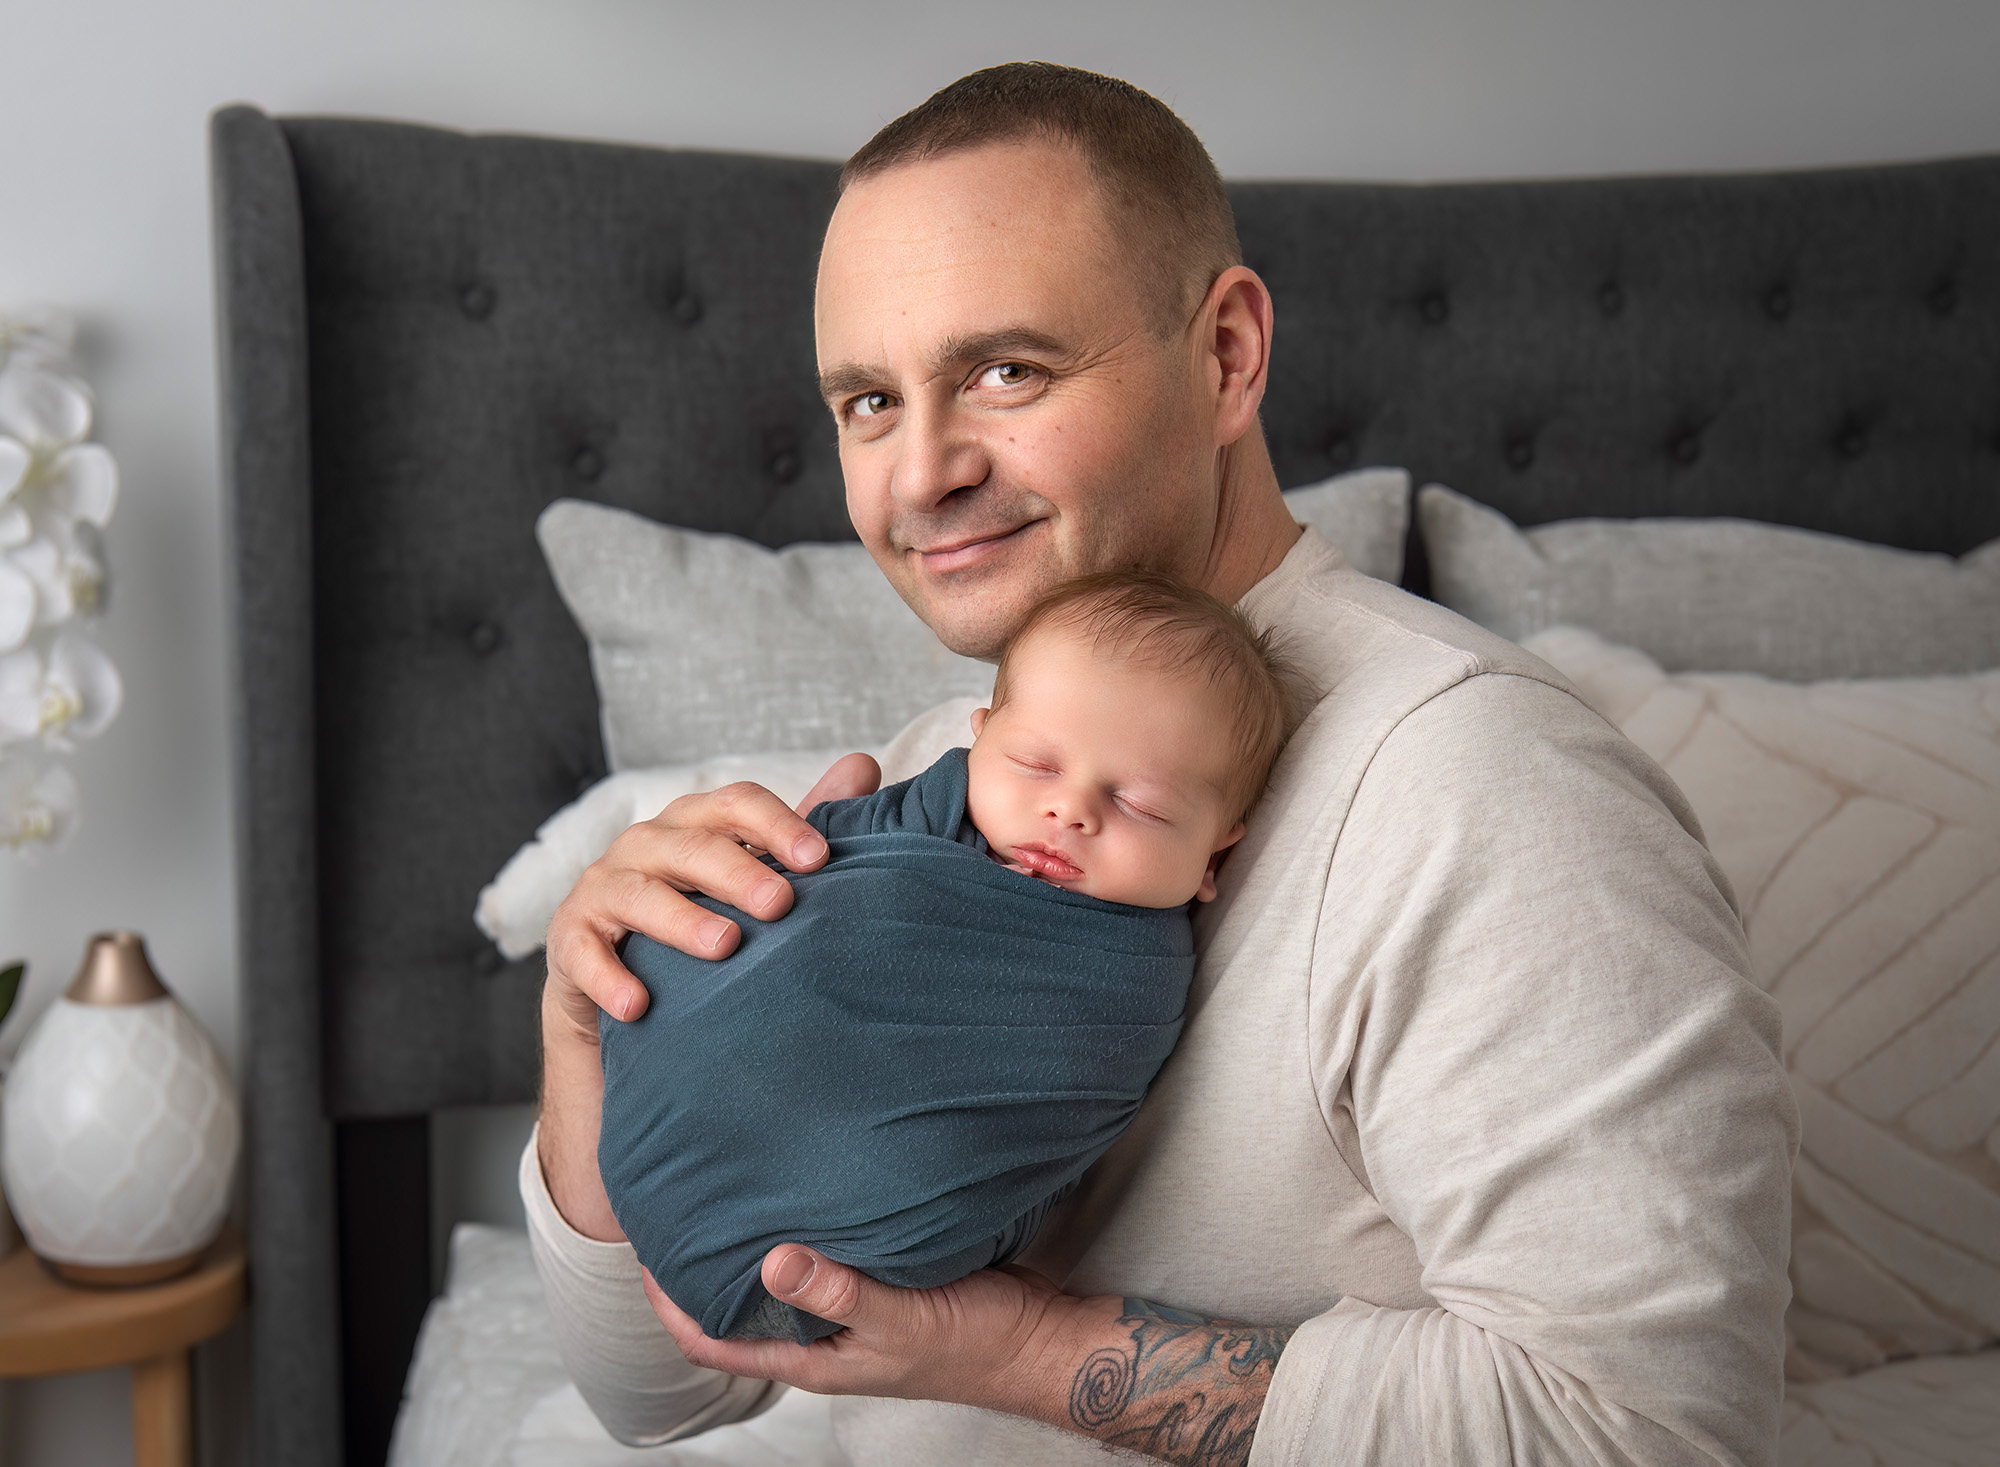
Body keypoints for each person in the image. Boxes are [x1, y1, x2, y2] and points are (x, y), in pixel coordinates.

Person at [526, 61, 1798, 1467]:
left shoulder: (1486, 790)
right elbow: (667, 1394)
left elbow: (1652, 1427)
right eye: (869, 401)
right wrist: (587, 1039)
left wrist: (1013, 1349)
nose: (921, 470)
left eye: (1005, 370)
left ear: (1227, 356)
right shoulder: (930, 788)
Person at [599, 571, 1293, 1348]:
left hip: (830, 1276)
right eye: (1035, 763)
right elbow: (805, 859)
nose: (1070, 810)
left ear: (1215, 851)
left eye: (1141, 805)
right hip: (656, 1111)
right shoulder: (923, 809)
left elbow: (1055, 1132)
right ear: (980, 737)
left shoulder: (1136, 984)